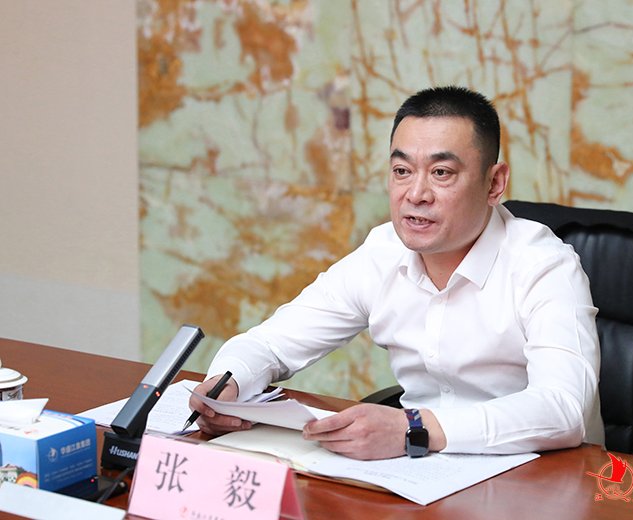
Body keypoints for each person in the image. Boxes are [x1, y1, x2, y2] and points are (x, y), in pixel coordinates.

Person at [189, 86, 604, 460]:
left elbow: (562, 409)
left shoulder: (544, 266)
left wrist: (414, 428)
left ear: (494, 183)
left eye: (441, 173)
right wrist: (227, 386)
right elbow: (269, 344)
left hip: (541, 475)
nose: (416, 195)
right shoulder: (382, 253)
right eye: (402, 171)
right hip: (420, 473)